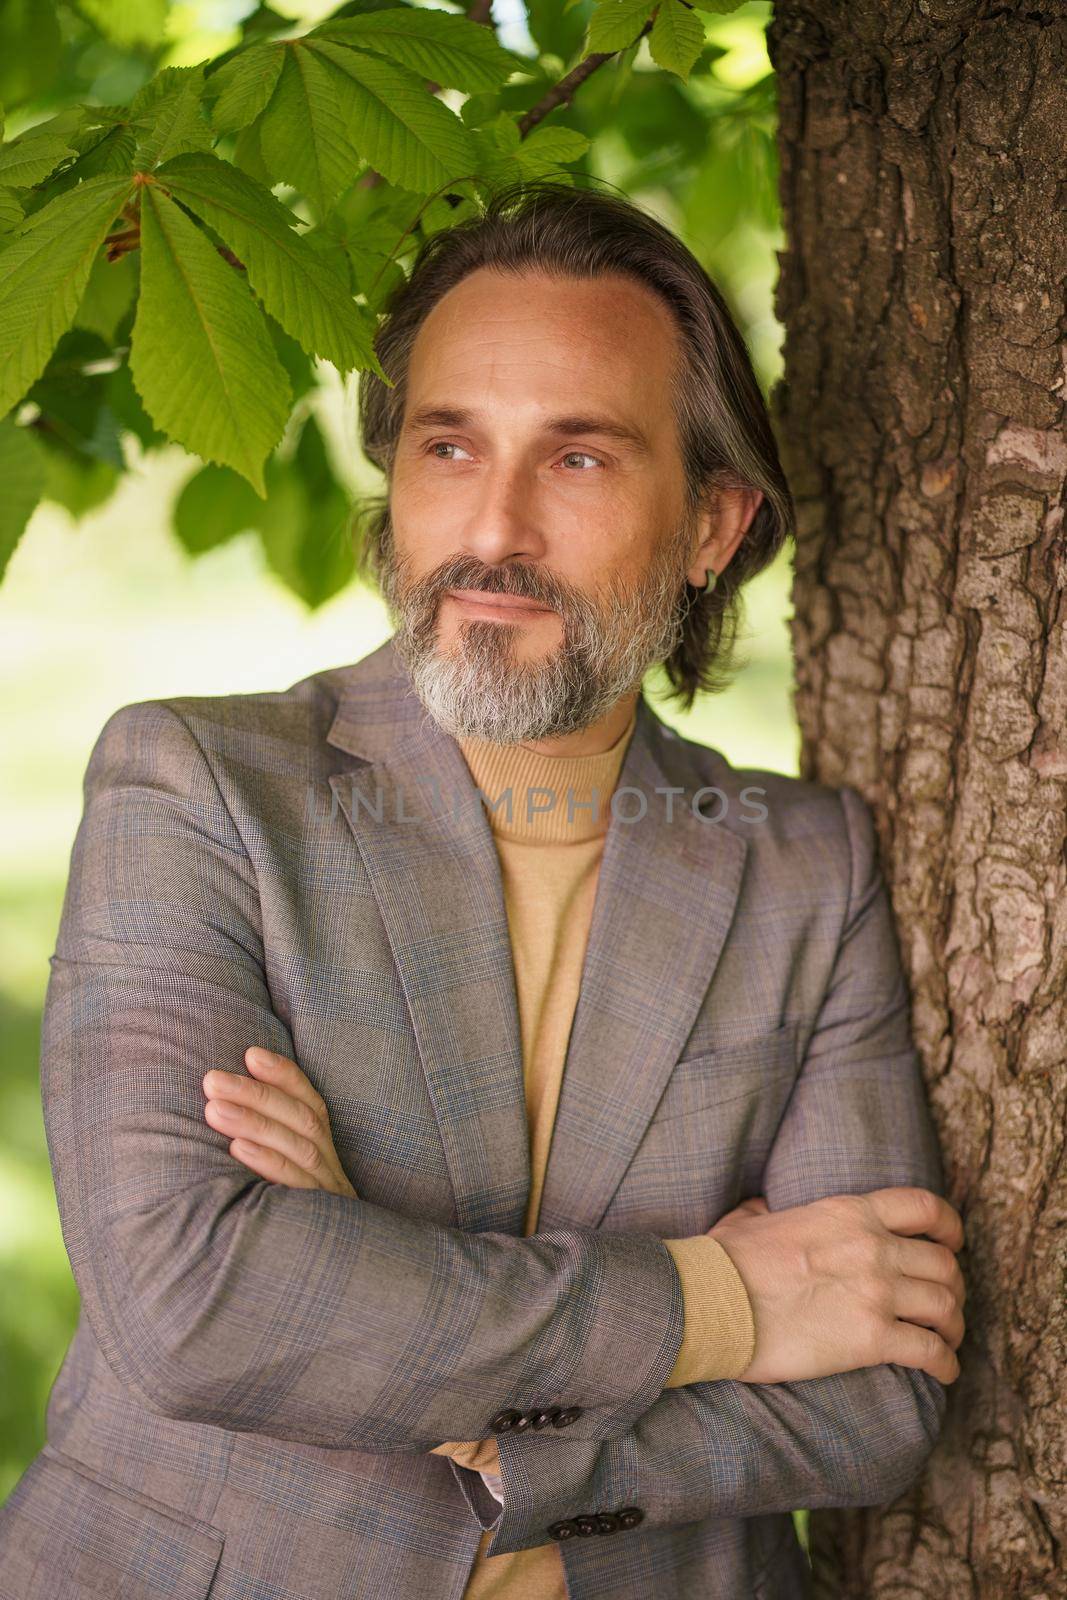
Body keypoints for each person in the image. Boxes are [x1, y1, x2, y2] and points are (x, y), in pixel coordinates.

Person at [0, 179, 964, 1600]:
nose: (492, 527)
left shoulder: (802, 868)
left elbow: (879, 1392)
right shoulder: (198, 788)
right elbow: (202, 1308)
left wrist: (419, 1349)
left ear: (713, 523)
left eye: (577, 460)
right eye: (452, 447)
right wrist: (723, 1302)